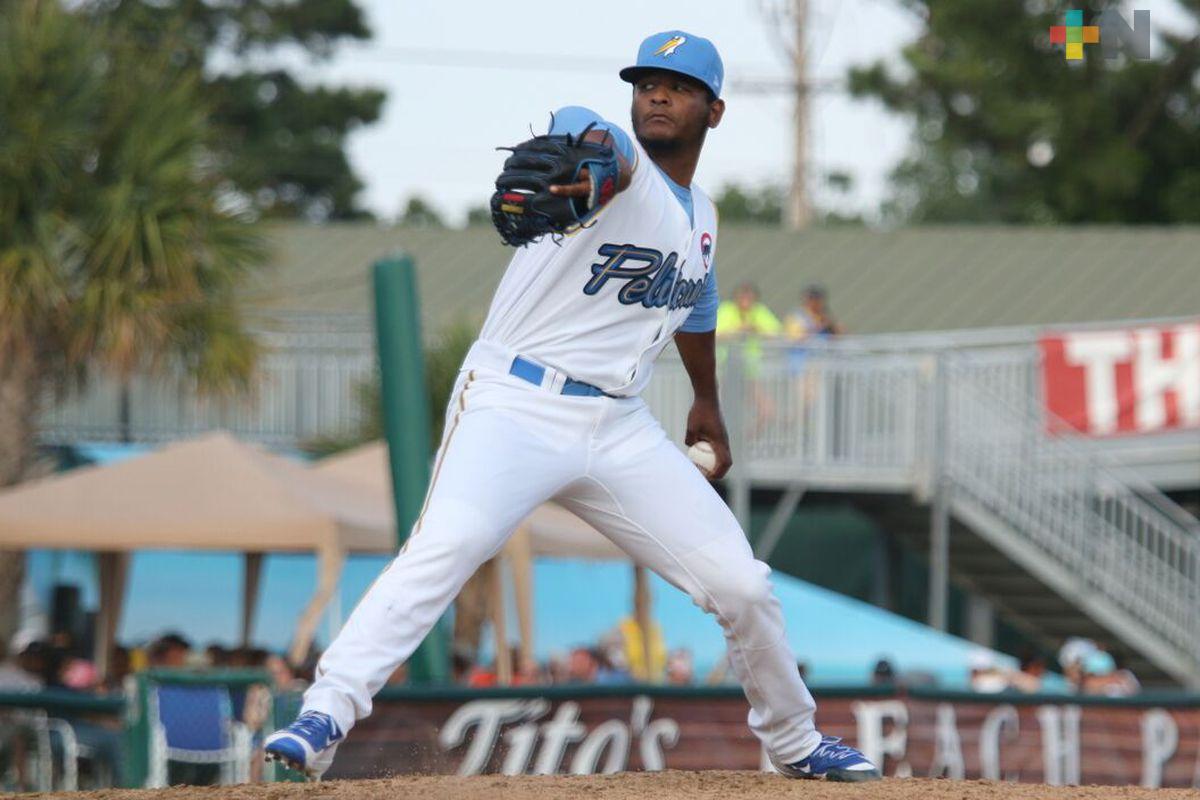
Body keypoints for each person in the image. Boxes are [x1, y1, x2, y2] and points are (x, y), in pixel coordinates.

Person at [265, 29, 879, 783]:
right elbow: (586, 129)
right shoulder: (614, 160)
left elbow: (699, 302)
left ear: (714, 112)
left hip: (620, 424)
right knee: (448, 544)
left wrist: (708, 402)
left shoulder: (704, 215)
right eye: (647, 81)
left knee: (744, 585)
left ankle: (795, 742)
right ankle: (322, 716)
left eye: (678, 86)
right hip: (516, 401)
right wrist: (590, 153)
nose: (657, 93)